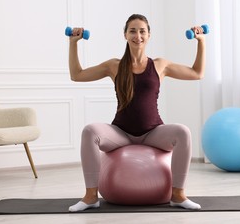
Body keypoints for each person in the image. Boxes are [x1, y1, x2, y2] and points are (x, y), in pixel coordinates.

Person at [68, 14, 206, 212]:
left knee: (182, 132)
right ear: (125, 35)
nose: (137, 35)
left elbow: (197, 73)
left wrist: (201, 41)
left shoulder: (160, 65)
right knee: (90, 131)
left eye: (142, 31)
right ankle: (91, 196)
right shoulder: (113, 66)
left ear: (149, 35)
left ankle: (178, 195)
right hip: (121, 133)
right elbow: (77, 75)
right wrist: (73, 43)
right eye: (132, 31)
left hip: (153, 132)